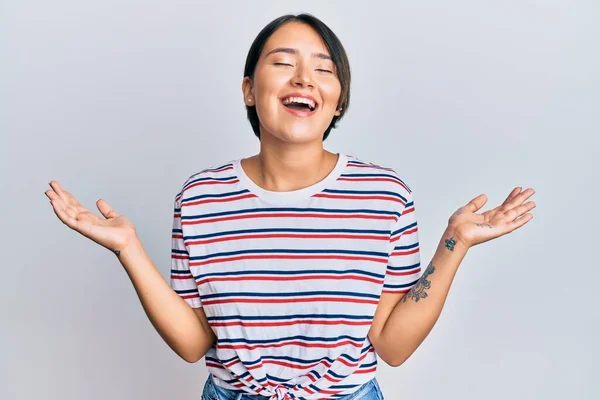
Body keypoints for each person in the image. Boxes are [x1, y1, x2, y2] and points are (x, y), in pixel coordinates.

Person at [45, 13, 536, 400]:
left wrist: (456, 242)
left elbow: (393, 345)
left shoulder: (384, 196)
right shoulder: (200, 198)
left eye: (324, 69)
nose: (305, 78)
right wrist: (127, 247)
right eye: (283, 63)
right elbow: (195, 343)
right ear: (248, 89)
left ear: (338, 101)